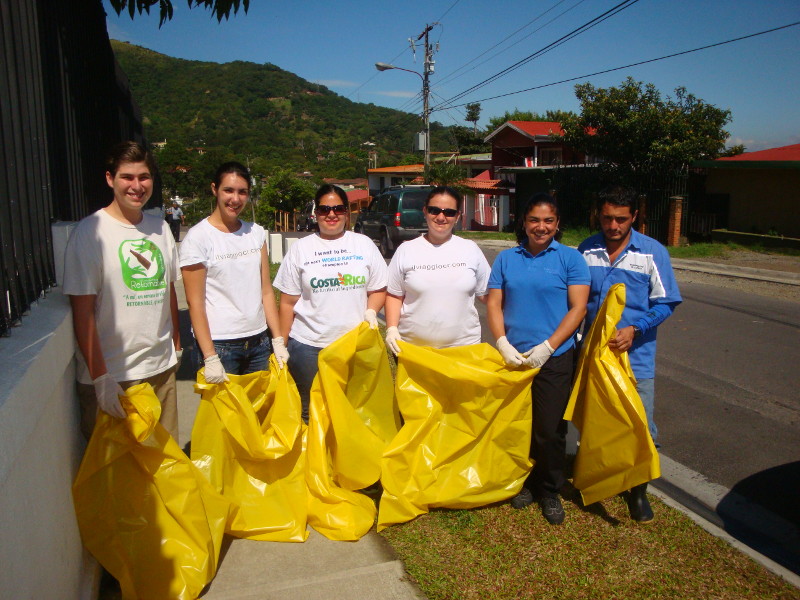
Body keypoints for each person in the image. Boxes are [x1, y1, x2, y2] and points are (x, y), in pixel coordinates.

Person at [63, 141, 181, 441]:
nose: (137, 185)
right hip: (113, 377)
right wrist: (100, 377)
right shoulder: (89, 233)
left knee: (163, 475)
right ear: (110, 179)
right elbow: (83, 311)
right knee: (116, 482)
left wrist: (175, 346)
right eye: (127, 177)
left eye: (144, 177)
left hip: (160, 372)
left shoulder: (161, 229)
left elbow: (168, 292)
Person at [578, 185, 682, 522]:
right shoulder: (586, 249)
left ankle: (637, 493)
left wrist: (635, 329)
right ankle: (600, 476)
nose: (613, 226)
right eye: (607, 218)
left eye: (621, 219)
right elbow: (577, 302)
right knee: (598, 422)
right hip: (593, 358)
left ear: (634, 217)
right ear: (599, 216)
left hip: (635, 356)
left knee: (641, 426)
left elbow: (666, 303)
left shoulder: (653, 253)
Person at [487, 193, 590, 525]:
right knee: (515, 425)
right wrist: (501, 341)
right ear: (524, 222)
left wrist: (549, 346)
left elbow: (578, 308)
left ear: (557, 224)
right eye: (534, 220)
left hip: (554, 357)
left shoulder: (570, 260)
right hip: (514, 359)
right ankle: (521, 482)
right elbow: (493, 303)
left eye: (548, 220)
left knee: (549, 429)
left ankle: (549, 488)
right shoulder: (506, 258)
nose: (541, 227)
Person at [274, 184, 388, 422]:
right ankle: (315, 459)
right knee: (311, 411)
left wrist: (371, 311)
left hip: (355, 345)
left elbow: (378, 288)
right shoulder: (301, 249)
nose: (332, 214)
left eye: (338, 208)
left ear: (347, 212)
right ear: (316, 214)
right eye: (325, 209)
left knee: (354, 410)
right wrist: (281, 346)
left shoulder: (363, 244)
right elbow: (287, 303)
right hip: (309, 347)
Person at [180, 161, 287, 383]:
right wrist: (210, 357)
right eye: (228, 190)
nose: (235, 199)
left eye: (242, 192)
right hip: (220, 346)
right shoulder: (198, 238)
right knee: (224, 418)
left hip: (259, 343)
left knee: (258, 416)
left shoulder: (255, 233)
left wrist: (277, 340)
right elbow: (195, 303)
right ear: (214, 189)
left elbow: (266, 291)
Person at [384, 186, 490, 353]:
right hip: (414, 350)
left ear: (457, 217)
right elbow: (394, 295)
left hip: (464, 349)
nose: (441, 217)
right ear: (425, 211)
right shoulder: (406, 250)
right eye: (434, 210)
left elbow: (488, 296)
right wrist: (391, 328)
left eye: (449, 212)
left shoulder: (470, 249)